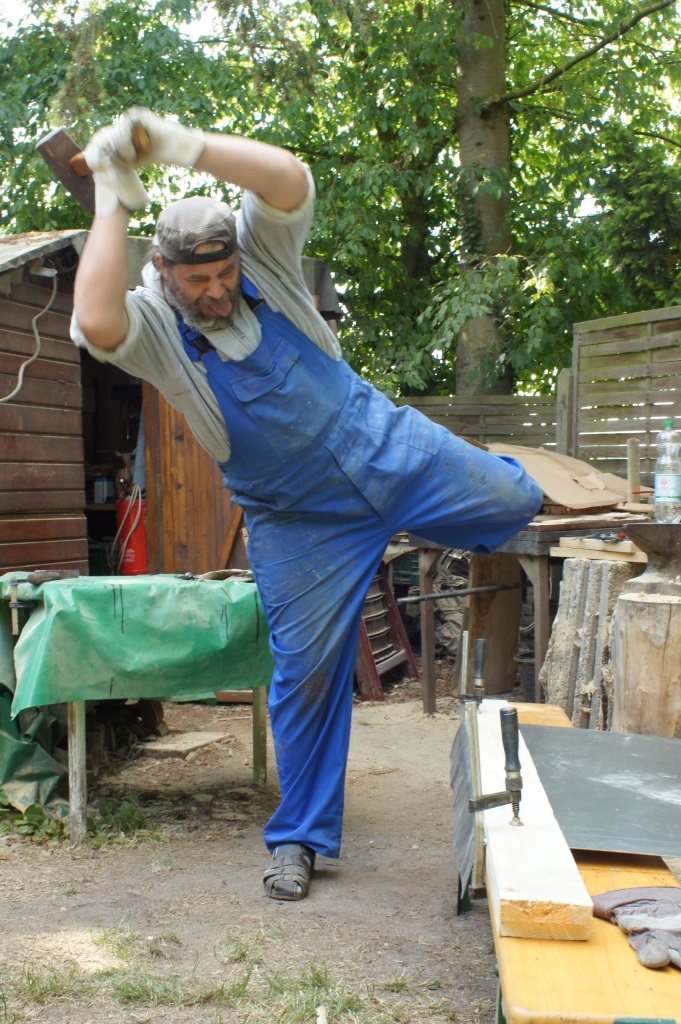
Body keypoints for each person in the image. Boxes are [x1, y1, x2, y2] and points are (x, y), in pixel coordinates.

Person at [71, 107, 543, 902]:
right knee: (307, 676)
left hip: (384, 447)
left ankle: (510, 485)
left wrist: (183, 146)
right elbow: (93, 318)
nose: (216, 291)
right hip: (296, 521)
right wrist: (112, 197)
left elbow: (287, 179)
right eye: (198, 280)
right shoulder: (152, 322)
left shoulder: (267, 262)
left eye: (223, 273)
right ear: (163, 268)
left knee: (516, 497)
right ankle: (298, 839)